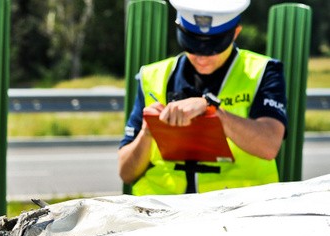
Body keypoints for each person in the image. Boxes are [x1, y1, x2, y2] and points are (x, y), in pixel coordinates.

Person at [118, 0, 287, 195]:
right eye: (191, 45)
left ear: (236, 33)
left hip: (237, 204)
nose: (201, 57)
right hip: (162, 207)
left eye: (214, 48)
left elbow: (269, 145)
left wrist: (215, 113)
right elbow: (126, 173)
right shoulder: (151, 76)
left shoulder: (263, 71)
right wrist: (147, 133)